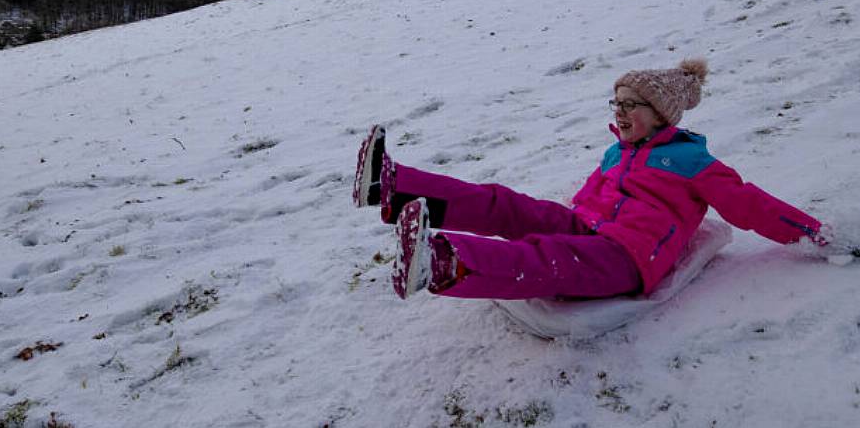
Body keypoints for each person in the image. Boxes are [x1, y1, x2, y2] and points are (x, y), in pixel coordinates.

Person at [352, 58, 835, 300]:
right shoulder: (616, 151)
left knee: (549, 259)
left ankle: (442, 261)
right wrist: (561, 217)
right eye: (616, 104)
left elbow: (751, 204)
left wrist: (814, 234)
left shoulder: (693, 162)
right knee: (508, 205)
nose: (619, 114)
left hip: (625, 259)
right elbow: (590, 196)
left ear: (661, 115)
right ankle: (393, 186)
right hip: (588, 227)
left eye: (631, 106)